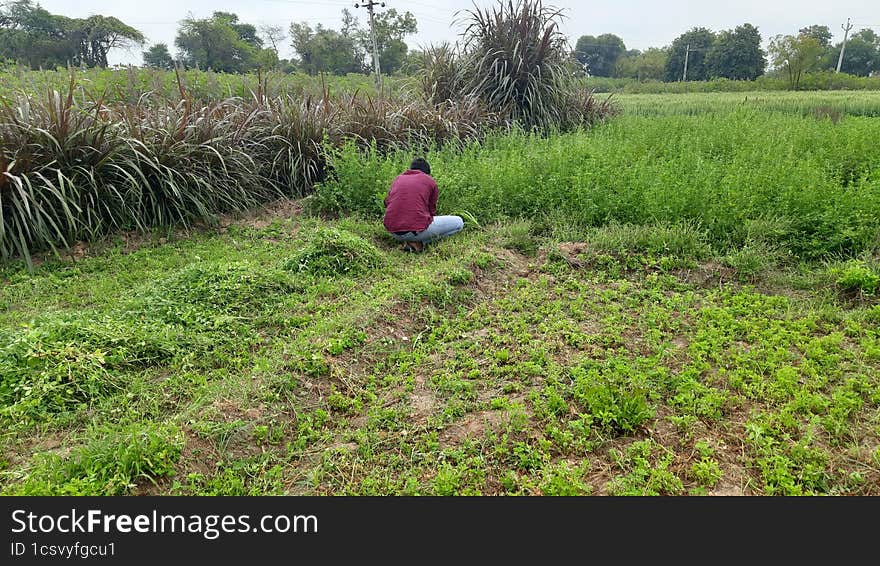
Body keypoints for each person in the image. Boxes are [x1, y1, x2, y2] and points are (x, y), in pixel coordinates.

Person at [383, 157, 464, 252]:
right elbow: (431, 211)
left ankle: (411, 242)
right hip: (415, 230)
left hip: (393, 231)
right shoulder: (429, 181)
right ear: (426, 172)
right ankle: (419, 243)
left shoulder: (398, 179)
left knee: (416, 224)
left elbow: (386, 203)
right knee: (459, 222)